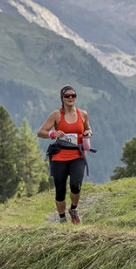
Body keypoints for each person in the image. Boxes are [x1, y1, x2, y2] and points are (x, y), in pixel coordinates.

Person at [38, 85, 92, 223]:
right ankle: (62, 218)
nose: (70, 98)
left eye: (73, 95)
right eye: (67, 96)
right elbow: (41, 132)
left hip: (77, 155)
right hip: (59, 157)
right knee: (60, 190)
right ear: (62, 98)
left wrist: (88, 133)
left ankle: (73, 209)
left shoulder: (83, 114)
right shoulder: (56, 115)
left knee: (76, 185)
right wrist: (52, 133)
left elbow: (88, 128)